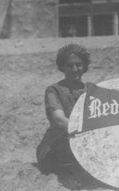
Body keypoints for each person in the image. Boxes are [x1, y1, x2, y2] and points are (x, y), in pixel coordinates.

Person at [36, 43, 90, 174]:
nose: (75, 69)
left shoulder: (90, 90)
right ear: (62, 67)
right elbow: (59, 120)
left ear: (84, 66)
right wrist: (88, 133)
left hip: (85, 143)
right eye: (69, 65)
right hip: (57, 145)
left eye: (79, 64)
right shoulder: (54, 90)